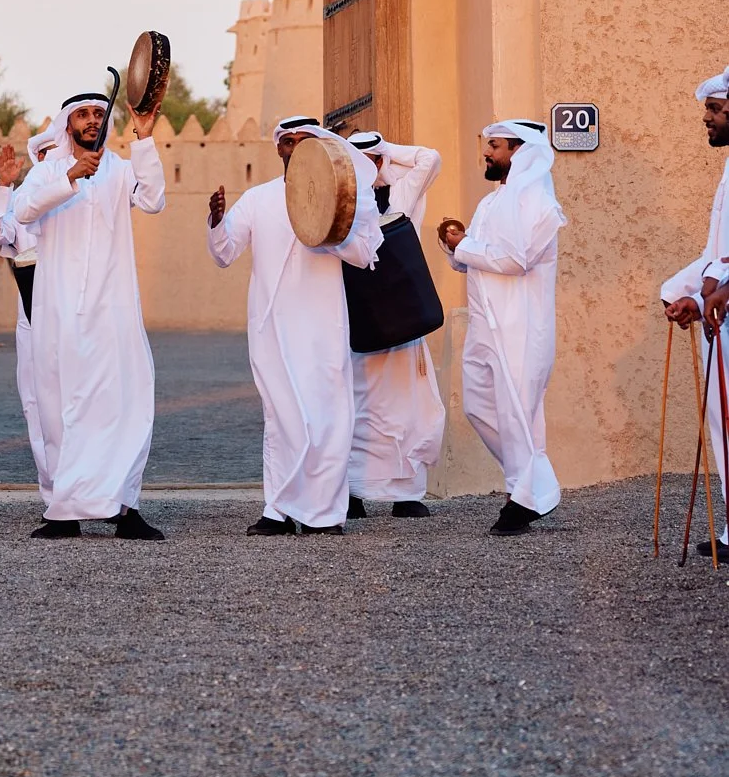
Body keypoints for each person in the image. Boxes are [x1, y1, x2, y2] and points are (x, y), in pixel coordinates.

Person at [208, 117, 381, 536]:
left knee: (327, 416)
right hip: (271, 326)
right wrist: (215, 223)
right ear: (279, 149)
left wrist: (328, 232)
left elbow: (366, 254)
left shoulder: (344, 198)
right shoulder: (258, 198)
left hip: (322, 325)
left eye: (306, 140)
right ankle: (278, 510)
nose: (296, 146)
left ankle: (323, 514)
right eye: (289, 140)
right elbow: (224, 253)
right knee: (281, 417)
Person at [9, 88, 165, 542]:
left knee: (124, 403)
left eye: (99, 113)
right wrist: (70, 177)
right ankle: (65, 511)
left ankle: (123, 506)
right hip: (59, 309)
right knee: (61, 407)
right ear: (68, 124)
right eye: (83, 114)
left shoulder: (120, 168)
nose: (93, 120)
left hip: (114, 307)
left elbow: (154, 200)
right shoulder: (48, 172)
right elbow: (21, 211)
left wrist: (144, 140)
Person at [441, 119, 565, 535]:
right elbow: (472, 257)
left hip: (521, 326)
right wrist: (454, 244)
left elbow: (516, 260)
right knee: (478, 407)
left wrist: (466, 246)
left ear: (519, 149)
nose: (486, 152)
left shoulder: (539, 202)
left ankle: (524, 499)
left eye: (494, 145)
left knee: (517, 415)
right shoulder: (492, 201)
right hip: (484, 323)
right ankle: (534, 485)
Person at [345, 130, 446, 519]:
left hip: (402, 317)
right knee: (358, 405)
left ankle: (406, 494)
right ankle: (353, 491)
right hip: (363, 317)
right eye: (359, 161)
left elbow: (430, 157)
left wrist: (383, 148)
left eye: (374, 160)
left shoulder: (401, 196)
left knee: (409, 407)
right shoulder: (341, 203)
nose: (367, 167)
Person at [664, 66, 729, 558]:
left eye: (713, 110)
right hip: (719, 317)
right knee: (722, 421)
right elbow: (717, 251)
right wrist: (688, 291)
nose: (706, 120)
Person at [0, 138, 50, 505]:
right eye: (45, 154)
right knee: (37, 405)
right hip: (33, 319)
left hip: (85, 320)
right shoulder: (22, 205)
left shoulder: (89, 199)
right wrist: (4, 187)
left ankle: (103, 495)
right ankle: (56, 498)